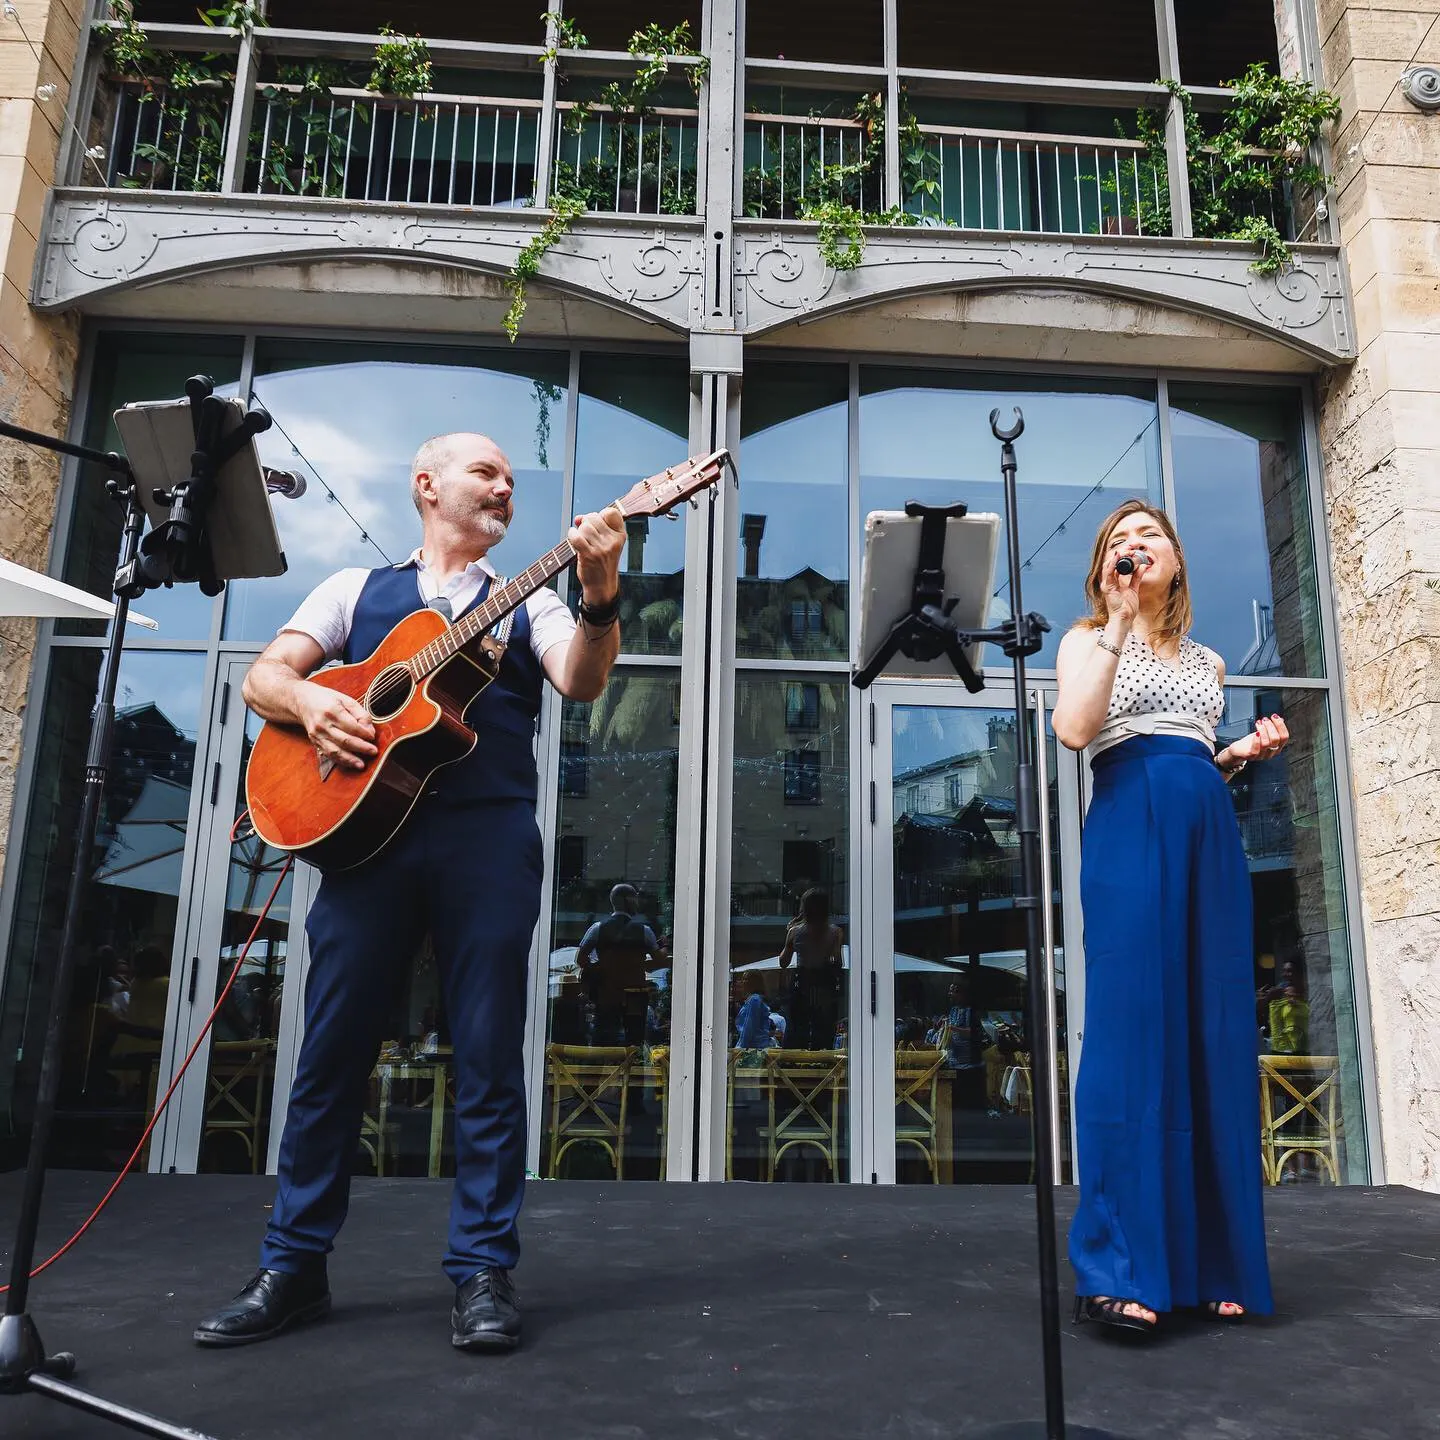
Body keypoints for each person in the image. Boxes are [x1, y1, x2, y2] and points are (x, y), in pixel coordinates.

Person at [193, 431, 625, 1354]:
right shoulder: (354, 591)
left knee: (488, 1057)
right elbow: (264, 677)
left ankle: (482, 1270)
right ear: (427, 484)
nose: (505, 488)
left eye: (512, 479)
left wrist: (600, 594)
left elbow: (583, 681)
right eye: (487, 472)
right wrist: (313, 703)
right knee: (330, 1054)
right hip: (365, 844)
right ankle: (292, 1266)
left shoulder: (533, 599)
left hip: (487, 839)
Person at [1052, 498, 1288, 1336]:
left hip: (1206, 830)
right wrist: (1117, 625)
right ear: (1104, 569)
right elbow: (1076, 731)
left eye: (1148, 535)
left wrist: (1238, 755)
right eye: (1119, 540)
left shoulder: (1209, 661)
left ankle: (1217, 1262)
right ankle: (1117, 1268)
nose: (1134, 544)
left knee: (1212, 1031)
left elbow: (1188, 758)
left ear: (1177, 559)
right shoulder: (1085, 639)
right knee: (1132, 1033)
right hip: (1127, 824)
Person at [575, 884, 666, 1045]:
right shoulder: (645, 931)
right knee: (635, 1041)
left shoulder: (597, 928)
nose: (637, 903)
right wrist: (665, 946)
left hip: (607, 995)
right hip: (635, 996)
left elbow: (580, 959)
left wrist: (600, 969)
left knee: (604, 1039)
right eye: (635, 898)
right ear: (628, 900)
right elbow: (659, 960)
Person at [778, 889, 844, 1050]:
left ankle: (795, 1060)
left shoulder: (795, 931)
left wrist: (790, 937)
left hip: (801, 980)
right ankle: (822, 1059)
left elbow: (783, 962)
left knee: (797, 1025)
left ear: (804, 907)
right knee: (824, 1027)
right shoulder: (835, 932)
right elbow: (837, 961)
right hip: (824, 981)